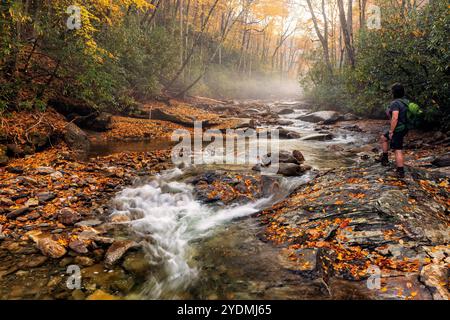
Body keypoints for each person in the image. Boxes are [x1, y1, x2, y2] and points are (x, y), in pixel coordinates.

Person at [379, 83, 409, 178]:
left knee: (397, 149)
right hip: (404, 127)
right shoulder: (406, 101)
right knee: (383, 137)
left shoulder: (395, 103)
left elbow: (395, 117)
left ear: (394, 92)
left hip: (398, 128)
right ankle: (385, 158)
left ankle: (400, 171)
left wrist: (391, 131)